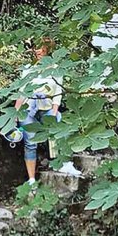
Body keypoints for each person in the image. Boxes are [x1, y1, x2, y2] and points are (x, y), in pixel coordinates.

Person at [13, 38, 79, 185]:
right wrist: (15, 114)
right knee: (30, 142)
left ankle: (64, 164)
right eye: (37, 48)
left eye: (42, 48)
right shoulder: (28, 69)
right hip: (29, 109)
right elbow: (22, 92)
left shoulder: (56, 69)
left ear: (48, 50)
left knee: (59, 128)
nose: (39, 51)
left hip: (48, 107)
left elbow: (58, 92)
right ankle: (31, 179)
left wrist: (54, 112)